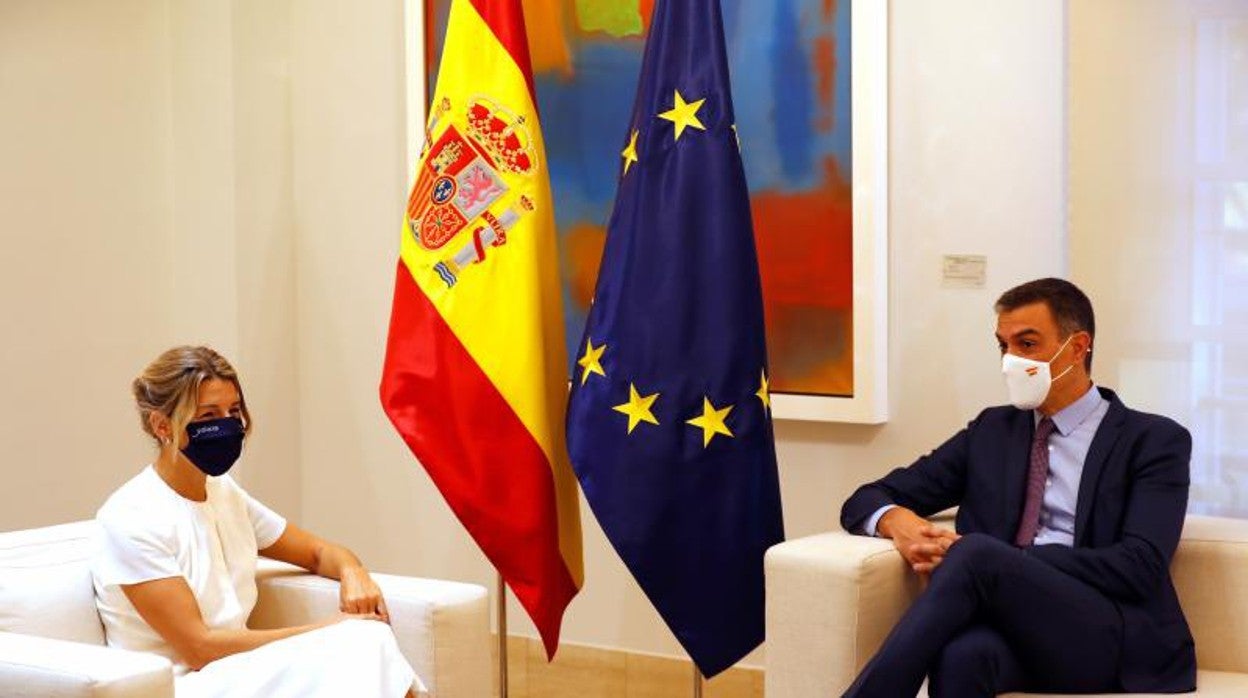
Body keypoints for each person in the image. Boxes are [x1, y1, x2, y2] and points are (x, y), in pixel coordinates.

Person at [840, 278, 1196, 697]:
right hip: (1016, 626)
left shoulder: (1154, 440)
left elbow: (1140, 565)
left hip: (1108, 633)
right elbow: (865, 498)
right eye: (1003, 346)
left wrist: (1013, 560)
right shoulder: (991, 430)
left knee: (976, 552)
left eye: (1026, 344)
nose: (1010, 360)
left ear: (1078, 347)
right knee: (960, 657)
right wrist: (896, 520)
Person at [92, 346, 424, 697]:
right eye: (208, 415)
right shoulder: (131, 517)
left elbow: (318, 553)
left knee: (367, 641)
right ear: (162, 426)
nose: (227, 425)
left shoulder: (223, 493)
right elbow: (199, 648)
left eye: (234, 411)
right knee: (361, 642)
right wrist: (330, 630)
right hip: (183, 685)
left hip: (238, 671)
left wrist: (352, 571)